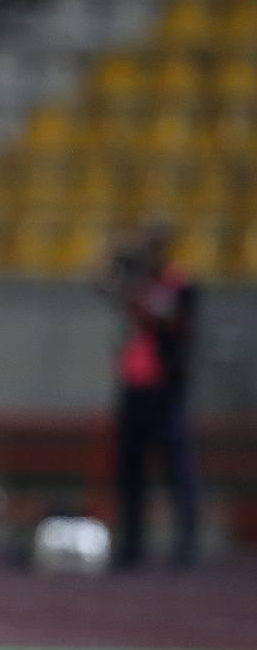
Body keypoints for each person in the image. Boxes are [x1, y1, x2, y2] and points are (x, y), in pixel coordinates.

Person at [100, 222, 199, 568]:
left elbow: (167, 319)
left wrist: (137, 291)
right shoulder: (138, 283)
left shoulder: (179, 284)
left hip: (166, 388)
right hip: (136, 386)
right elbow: (103, 286)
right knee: (131, 469)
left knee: (176, 468)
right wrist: (116, 262)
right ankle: (132, 543)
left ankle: (185, 543)